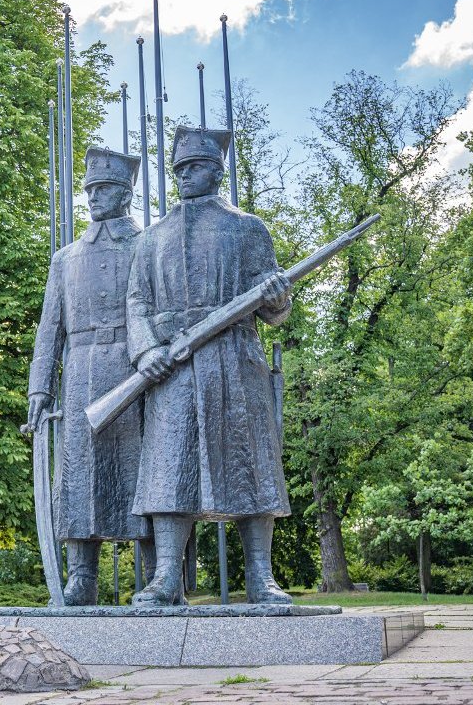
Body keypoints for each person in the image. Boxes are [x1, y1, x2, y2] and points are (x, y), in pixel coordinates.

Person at [126, 126, 293, 606]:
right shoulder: (152, 237)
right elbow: (136, 303)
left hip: (235, 358)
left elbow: (273, 309)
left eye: (195, 166)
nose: (184, 175)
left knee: (251, 466)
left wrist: (278, 298)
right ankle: (165, 579)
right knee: (168, 467)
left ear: (217, 170)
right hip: (173, 364)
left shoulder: (247, 227)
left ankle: (261, 576)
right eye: (178, 168)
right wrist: (145, 351)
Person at [28, 147, 153, 605]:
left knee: (141, 471)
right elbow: (49, 329)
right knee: (80, 475)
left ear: (125, 194)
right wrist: (40, 387)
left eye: (104, 189)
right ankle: (82, 575)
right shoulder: (65, 258)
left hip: (133, 367)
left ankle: (158, 574)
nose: (94, 198)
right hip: (79, 374)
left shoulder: (148, 245)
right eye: (90, 190)